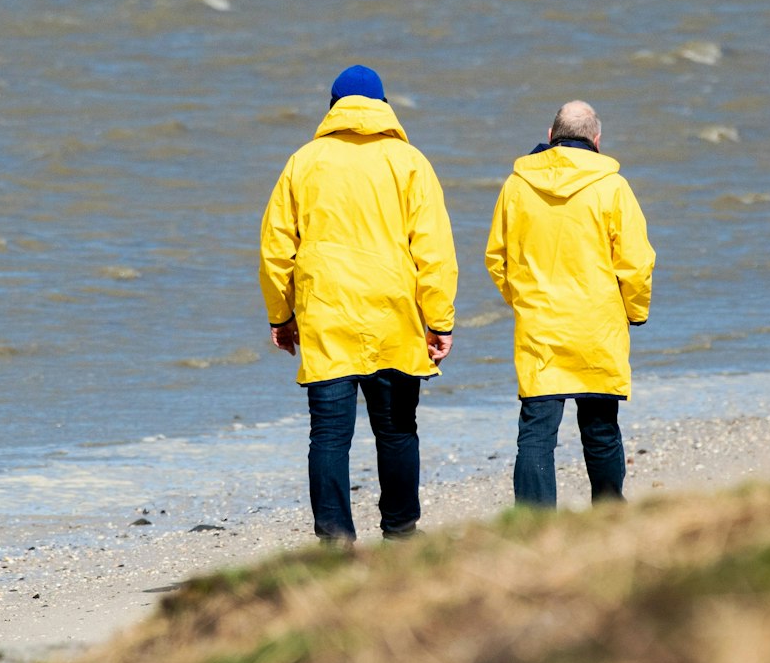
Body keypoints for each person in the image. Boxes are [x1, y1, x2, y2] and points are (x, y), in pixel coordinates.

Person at [259, 65, 457, 542]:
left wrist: (281, 315)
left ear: (333, 108)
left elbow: (275, 249)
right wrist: (439, 321)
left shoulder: (303, 162)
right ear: (384, 107)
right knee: (397, 429)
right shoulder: (410, 162)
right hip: (393, 315)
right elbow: (434, 251)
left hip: (326, 315)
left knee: (329, 434)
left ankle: (335, 539)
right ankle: (401, 531)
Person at [484, 100, 654, 508]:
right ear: (597, 140)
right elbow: (636, 262)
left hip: (540, 325)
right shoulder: (612, 186)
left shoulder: (517, 185)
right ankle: (608, 514)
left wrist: (522, 300)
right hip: (597, 325)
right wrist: (635, 311)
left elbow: (497, 258)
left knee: (536, 432)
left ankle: (534, 524)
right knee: (600, 428)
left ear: (550, 136)